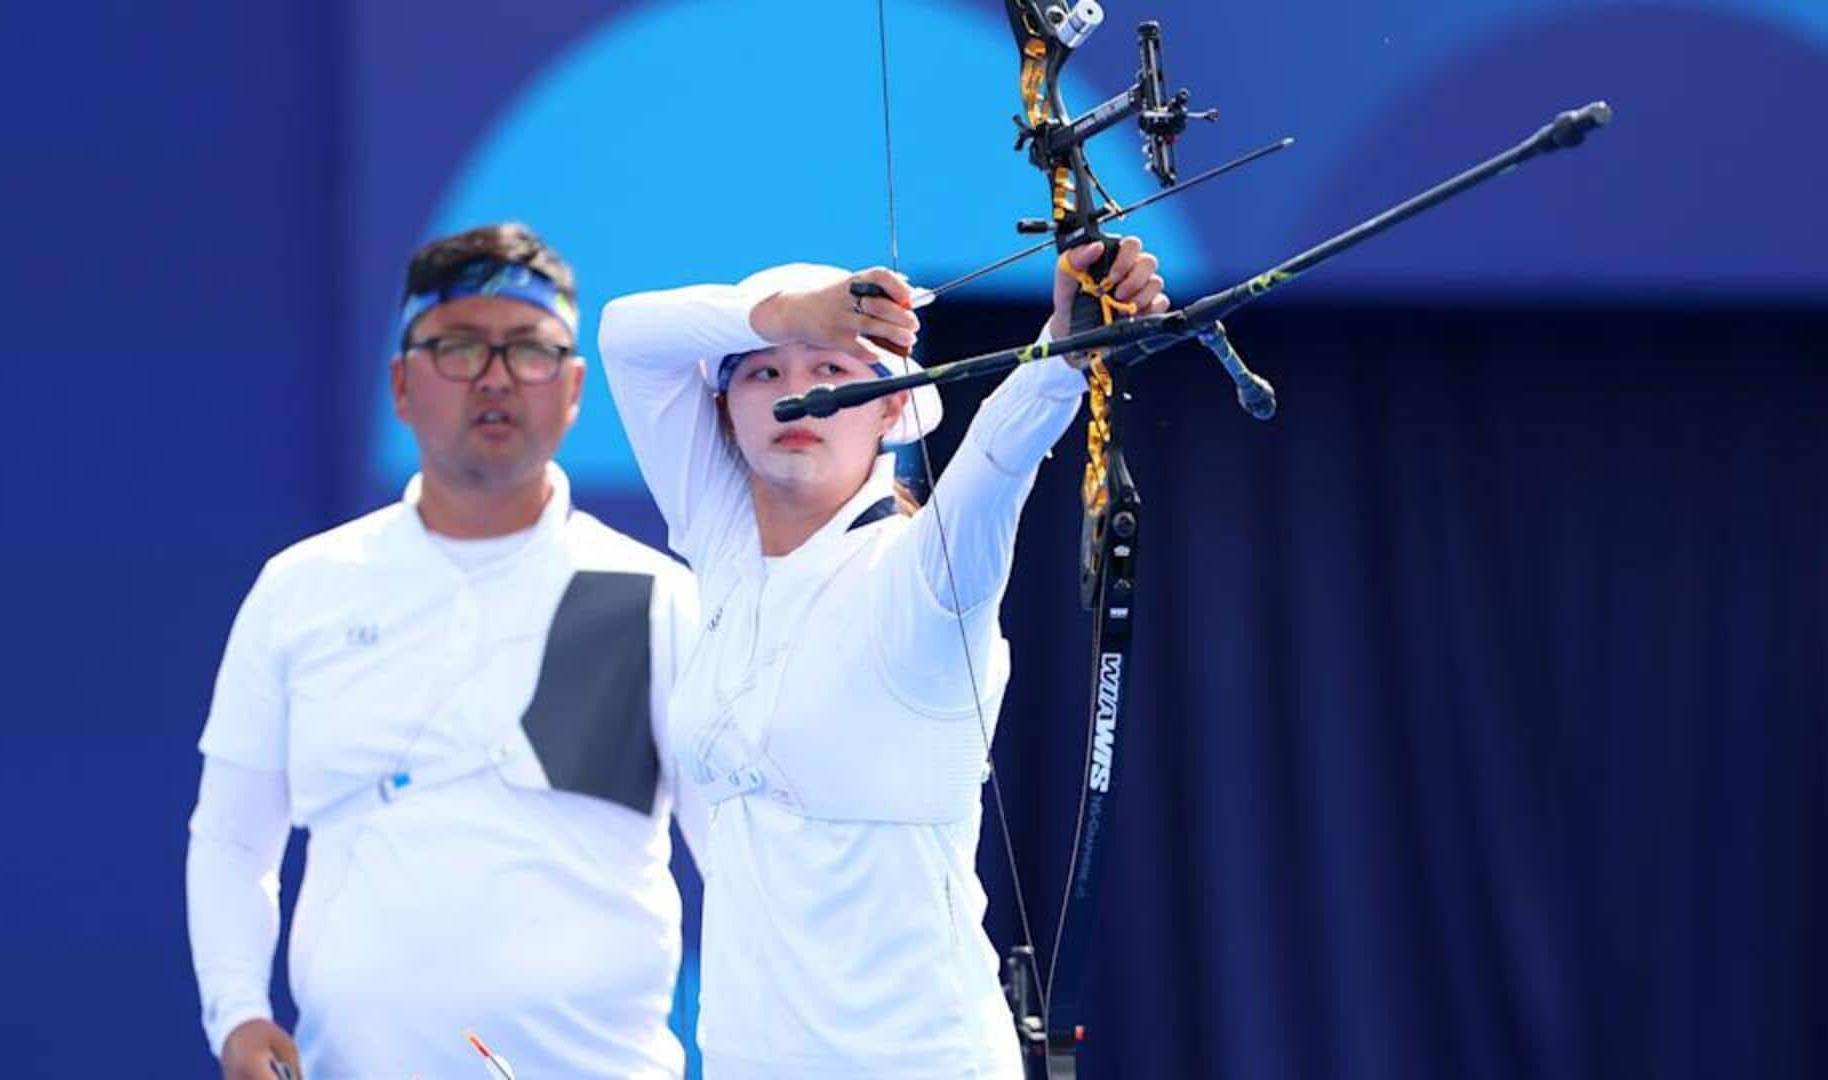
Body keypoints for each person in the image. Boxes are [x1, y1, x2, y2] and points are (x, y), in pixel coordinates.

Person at [597, 239, 1169, 1078]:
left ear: (891, 410)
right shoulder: (720, 545)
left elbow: (997, 463)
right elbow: (623, 335)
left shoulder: (926, 573)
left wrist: (1064, 349)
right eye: (761, 375)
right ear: (724, 411)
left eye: (832, 371)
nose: (797, 396)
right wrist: (799, 316)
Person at [186, 223, 702, 1079]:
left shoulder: (651, 595)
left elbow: (745, 864)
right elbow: (234, 840)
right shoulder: (302, 591)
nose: (496, 378)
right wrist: (236, 1013)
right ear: (400, 382)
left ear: (575, 388)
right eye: (459, 346)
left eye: (530, 350)